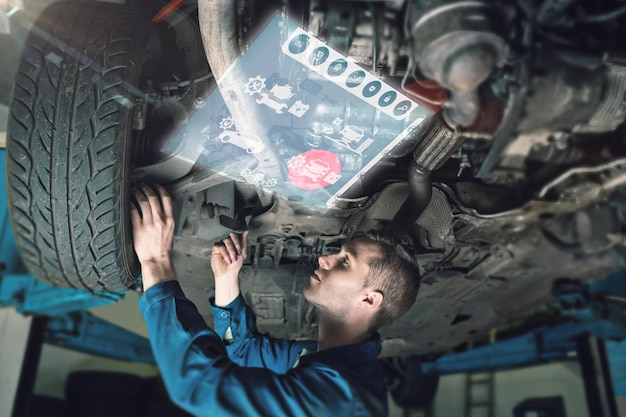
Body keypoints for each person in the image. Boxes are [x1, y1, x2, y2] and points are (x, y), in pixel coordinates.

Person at [131, 184, 420, 417]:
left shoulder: (339, 400)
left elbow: (198, 388)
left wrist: (155, 262)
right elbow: (242, 353)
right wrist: (227, 278)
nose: (324, 258)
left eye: (345, 262)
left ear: (369, 299)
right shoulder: (326, 361)